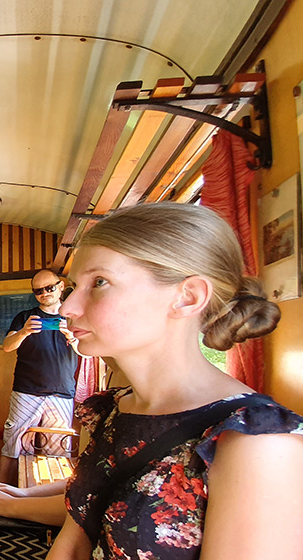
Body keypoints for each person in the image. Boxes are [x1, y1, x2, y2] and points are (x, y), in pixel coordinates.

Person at [47, 202, 303, 559]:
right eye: (75, 286)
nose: (66, 307)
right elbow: (74, 540)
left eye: (99, 282)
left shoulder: (256, 444)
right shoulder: (116, 410)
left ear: (187, 297)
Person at [0, 269, 80, 485]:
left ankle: (47, 498)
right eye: (38, 291)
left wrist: (71, 336)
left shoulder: (73, 316)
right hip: (25, 391)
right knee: (13, 445)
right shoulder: (25, 317)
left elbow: (88, 352)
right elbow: (7, 346)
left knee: (58, 450)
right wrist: (24, 331)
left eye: (49, 288)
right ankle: (3, 494)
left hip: (62, 392)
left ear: (60, 287)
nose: (44, 293)